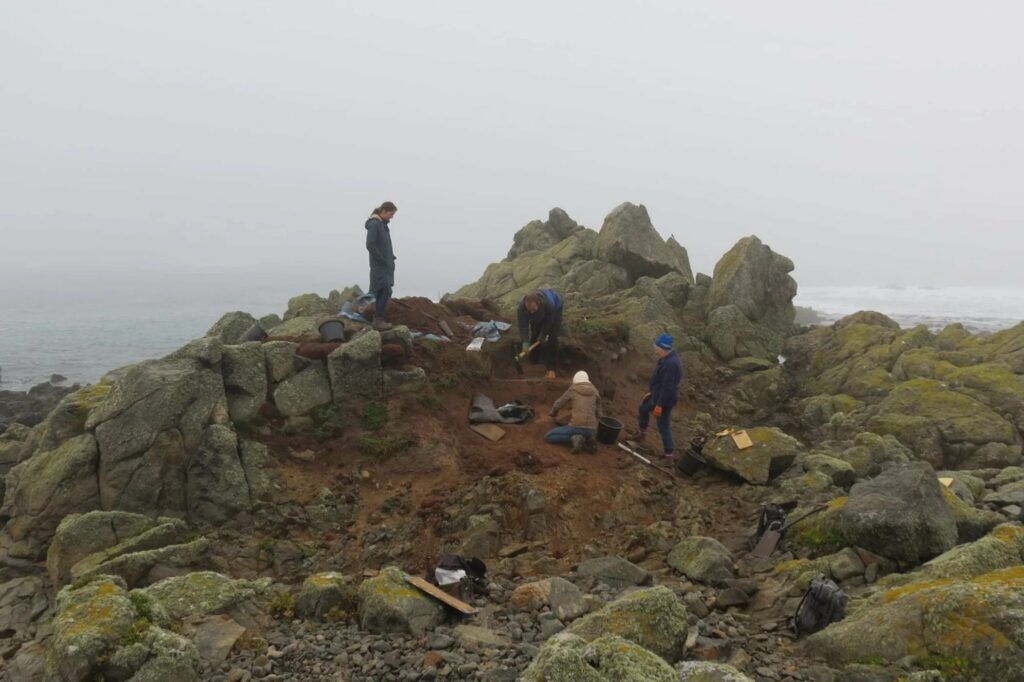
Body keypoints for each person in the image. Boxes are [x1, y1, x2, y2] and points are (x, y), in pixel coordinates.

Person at [633, 333, 683, 458]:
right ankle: (641, 433)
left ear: (664, 348)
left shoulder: (671, 364)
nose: (655, 352)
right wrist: (652, 392)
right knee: (643, 408)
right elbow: (660, 381)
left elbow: (668, 387)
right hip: (658, 394)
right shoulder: (665, 358)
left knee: (663, 425)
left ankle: (669, 455)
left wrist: (659, 405)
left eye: (657, 350)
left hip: (665, 399)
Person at [545, 370, 601, 453]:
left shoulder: (573, 389)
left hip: (576, 426)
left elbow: (558, 403)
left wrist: (553, 413)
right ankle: (589, 439)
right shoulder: (595, 391)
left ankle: (575, 437)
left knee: (549, 436)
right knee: (586, 432)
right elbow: (599, 413)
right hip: (592, 429)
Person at [365, 201, 398, 331]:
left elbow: (383, 245)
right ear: (383, 211)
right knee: (385, 291)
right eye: (391, 214)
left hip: (386, 264)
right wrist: (382, 259)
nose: (392, 217)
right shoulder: (374, 225)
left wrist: (391, 256)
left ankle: (378, 319)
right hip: (380, 266)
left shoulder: (382, 225)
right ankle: (378, 320)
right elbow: (370, 244)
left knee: (383, 291)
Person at [517, 288, 563, 380]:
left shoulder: (549, 305)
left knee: (552, 337)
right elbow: (523, 326)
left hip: (555, 309)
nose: (531, 312)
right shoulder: (521, 308)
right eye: (529, 310)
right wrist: (525, 342)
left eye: (533, 309)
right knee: (534, 334)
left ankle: (551, 368)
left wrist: (543, 334)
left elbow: (549, 321)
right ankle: (534, 362)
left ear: (538, 303)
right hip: (541, 311)